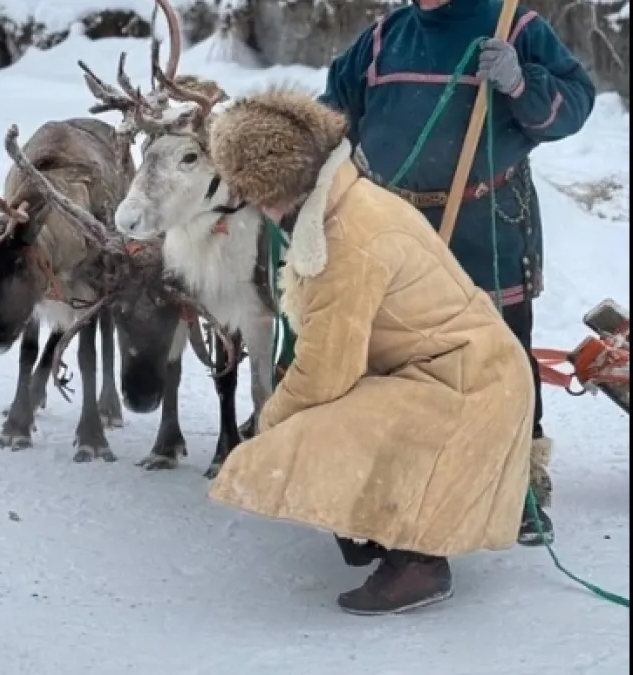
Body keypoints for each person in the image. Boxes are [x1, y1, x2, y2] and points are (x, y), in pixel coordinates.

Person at [205, 87, 536, 615]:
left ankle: (420, 562)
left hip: (470, 384)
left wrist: (272, 425)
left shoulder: (348, 240)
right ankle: (378, 525)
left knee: (314, 429)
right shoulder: (347, 199)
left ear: (269, 187)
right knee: (330, 418)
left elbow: (325, 372)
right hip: (459, 368)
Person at [316, 0, 597, 545]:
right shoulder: (383, 38)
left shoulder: (513, 25)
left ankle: (519, 484)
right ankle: (403, 480)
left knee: (504, 356)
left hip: (487, 222)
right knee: (399, 354)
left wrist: (522, 81)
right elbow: (332, 113)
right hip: (395, 223)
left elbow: (576, 104)